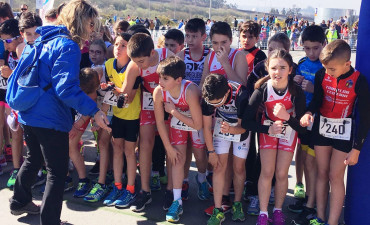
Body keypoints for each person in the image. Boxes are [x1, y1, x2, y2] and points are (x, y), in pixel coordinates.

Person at [8, 1, 111, 224]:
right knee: (57, 171)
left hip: (29, 111)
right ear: (80, 21)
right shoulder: (68, 46)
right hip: (49, 116)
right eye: (90, 23)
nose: (92, 29)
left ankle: (19, 201)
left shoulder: (42, 38)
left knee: (34, 158)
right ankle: (50, 221)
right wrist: (94, 111)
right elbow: (66, 89)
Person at [300, 40, 370, 225]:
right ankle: (320, 217)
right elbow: (316, 100)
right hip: (322, 128)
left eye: (332, 69)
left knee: (335, 176)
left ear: (347, 64)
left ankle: (333, 222)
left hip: (344, 131)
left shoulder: (358, 79)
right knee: (322, 173)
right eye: (326, 68)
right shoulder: (322, 73)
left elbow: (365, 116)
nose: (328, 72)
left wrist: (357, 148)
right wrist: (308, 113)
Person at [242, 49, 306, 225]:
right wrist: (267, 129)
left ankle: (277, 211)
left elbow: (302, 127)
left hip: (289, 131)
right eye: (274, 68)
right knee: (267, 172)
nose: (278, 72)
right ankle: (263, 213)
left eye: (282, 68)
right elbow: (246, 122)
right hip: (268, 130)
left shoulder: (296, 92)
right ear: (267, 68)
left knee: (281, 173)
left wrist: (287, 117)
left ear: (290, 69)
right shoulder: (262, 89)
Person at [123, 33, 173, 212]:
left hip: (169, 105)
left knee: (171, 146)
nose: (138, 65)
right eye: (135, 61)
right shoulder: (134, 65)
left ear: (153, 52)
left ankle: (171, 191)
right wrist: (111, 91)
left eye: (141, 62)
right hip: (149, 103)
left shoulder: (170, 56)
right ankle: (145, 191)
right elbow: (125, 93)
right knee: (144, 144)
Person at [153, 56, 204, 222]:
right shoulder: (159, 92)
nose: (160, 81)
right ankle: (177, 201)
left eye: (165, 79)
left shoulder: (190, 91)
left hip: (195, 122)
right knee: (176, 159)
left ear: (178, 80)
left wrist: (174, 112)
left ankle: (202, 178)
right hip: (180, 124)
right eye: (160, 77)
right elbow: (160, 122)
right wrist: (168, 148)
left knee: (200, 156)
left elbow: (197, 125)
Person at [289, 25, 326, 225]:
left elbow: (332, 96)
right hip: (302, 121)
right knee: (303, 158)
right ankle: (305, 198)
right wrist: (293, 83)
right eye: (307, 48)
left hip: (320, 123)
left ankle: (312, 205)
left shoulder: (327, 66)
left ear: (324, 45)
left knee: (314, 164)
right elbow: (293, 92)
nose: (311, 52)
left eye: (316, 48)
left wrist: (315, 88)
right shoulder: (301, 63)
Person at [202, 74, 250, 225]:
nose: (214, 106)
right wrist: (211, 152)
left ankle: (237, 203)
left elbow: (245, 128)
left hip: (239, 128)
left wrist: (232, 129)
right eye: (212, 104)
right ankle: (218, 209)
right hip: (221, 126)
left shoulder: (242, 95)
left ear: (227, 93)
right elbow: (206, 126)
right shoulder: (208, 96)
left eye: (218, 103)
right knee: (218, 167)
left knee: (239, 168)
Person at [100, 32, 141, 209]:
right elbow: (106, 94)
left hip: (132, 116)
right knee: (117, 148)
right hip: (116, 115)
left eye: (123, 45)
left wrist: (111, 88)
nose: (118, 48)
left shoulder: (134, 66)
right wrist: (102, 114)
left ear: (130, 48)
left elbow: (129, 97)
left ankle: (130, 189)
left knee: (129, 151)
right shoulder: (108, 65)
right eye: (116, 44)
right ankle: (117, 186)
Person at [176, 17, 210, 204]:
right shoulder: (182, 55)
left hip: (201, 108)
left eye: (194, 36)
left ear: (203, 36)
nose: (189, 40)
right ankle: (185, 180)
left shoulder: (209, 54)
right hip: (183, 108)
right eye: (187, 35)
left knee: (199, 150)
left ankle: (202, 178)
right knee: (185, 149)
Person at [0, 19, 25, 188]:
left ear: (20, 37)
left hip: (29, 102)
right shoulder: (8, 54)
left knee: (30, 138)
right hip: (13, 101)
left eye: (8, 40)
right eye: (3, 41)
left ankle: (37, 168)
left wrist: (11, 74)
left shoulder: (26, 51)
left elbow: (28, 76)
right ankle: (16, 168)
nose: (5, 45)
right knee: (15, 134)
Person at [69, 68, 100, 198]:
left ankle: (83, 180)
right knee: (63, 144)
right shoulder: (78, 82)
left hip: (82, 117)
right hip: (72, 114)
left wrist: (78, 124)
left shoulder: (92, 89)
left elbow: (90, 107)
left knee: (71, 144)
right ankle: (65, 178)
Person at [200, 21, 248, 87]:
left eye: (223, 42)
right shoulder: (210, 57)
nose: (219, 47)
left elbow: (242, 86)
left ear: (231, 41)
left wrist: (225, 63)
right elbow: (202, 83)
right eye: (215, 43)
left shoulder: (239, 56)